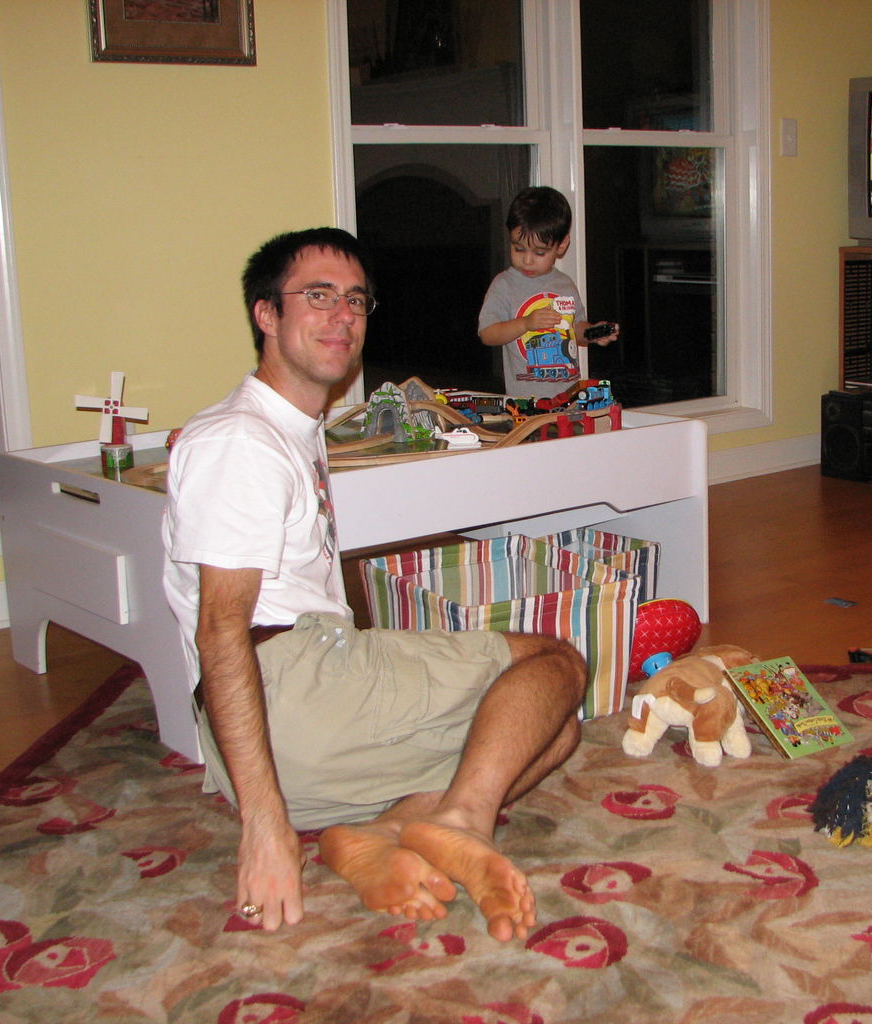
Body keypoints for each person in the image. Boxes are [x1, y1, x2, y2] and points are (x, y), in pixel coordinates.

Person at [162, 226, 588, 942]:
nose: (342, 317)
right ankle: (459, 824)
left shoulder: (285, 429)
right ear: (266, 314)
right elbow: (220, 628)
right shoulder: (240, 442)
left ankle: (378, 835)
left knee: (551, 731)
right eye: (318, 297)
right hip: (289, 684)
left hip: (286, 746)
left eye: (355, 301)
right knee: (556, 664)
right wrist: (263, 827)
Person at [477, 186, 618, 401]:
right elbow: (487, 333)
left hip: (569, 398)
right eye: (519, 249)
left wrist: (593, 333)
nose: (527, 260)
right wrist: (525, 324)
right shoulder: (505, 285)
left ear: (561, 246)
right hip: (527, 402)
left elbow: (575, 331)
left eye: (539, 252)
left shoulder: (565, 284)